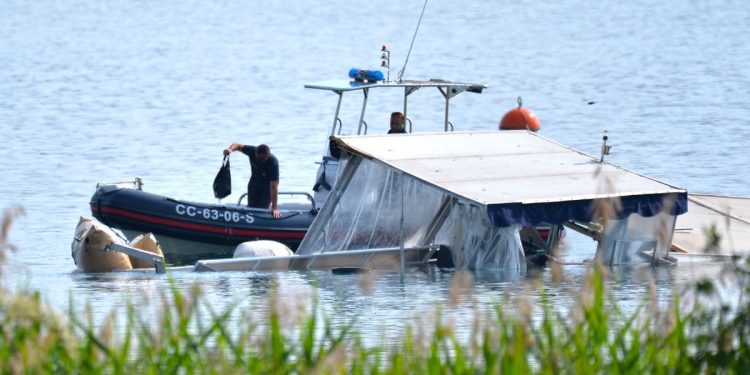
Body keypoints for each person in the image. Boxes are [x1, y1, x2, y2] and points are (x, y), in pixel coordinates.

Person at [223, 143, 281, 219]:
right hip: (254, 183)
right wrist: (230, 149)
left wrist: (274, 208)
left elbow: (274, 186)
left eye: (261, 159)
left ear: (267, 156)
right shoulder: (252, 150)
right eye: (257, 158)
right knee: (251, 208)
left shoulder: (273, 163)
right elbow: (238, 145)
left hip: (267, 187)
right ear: (256, 152)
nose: (258, 160)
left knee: (261, 210)